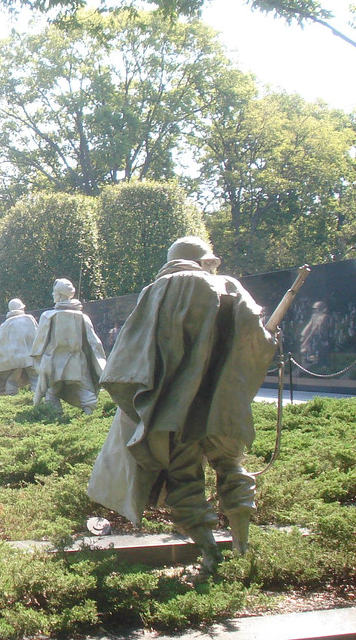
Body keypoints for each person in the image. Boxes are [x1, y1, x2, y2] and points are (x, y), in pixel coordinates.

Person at [87, 237, 276, 571]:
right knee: (233, 470)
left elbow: (131, 355)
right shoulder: (230, 286)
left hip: (176, 411)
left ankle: (210, 556)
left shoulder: (157, 290)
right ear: (204, 261)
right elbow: (259, 340)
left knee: (184, 481)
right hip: (224, 405)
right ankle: (243, 551)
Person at [31, 278, 107, 414]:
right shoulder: (82, 316)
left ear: (60, 294)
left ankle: (54, 418)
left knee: (52, 392)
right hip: (76, 361)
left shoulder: (48, 316)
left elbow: (39, 343)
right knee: (86, 393)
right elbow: (94, 342)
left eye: (54, 292)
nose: (53, 294)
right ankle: (89, 416)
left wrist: (37, 361)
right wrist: (99, 363)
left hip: (53, 362)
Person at [0, 299, 39, 395]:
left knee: (12, 379)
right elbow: (37, 335)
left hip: (12, 359)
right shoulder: (29, 319)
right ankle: (37, 398)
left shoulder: (5, 324)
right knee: (36, 377)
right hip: (29, 356)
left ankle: (11, 397)